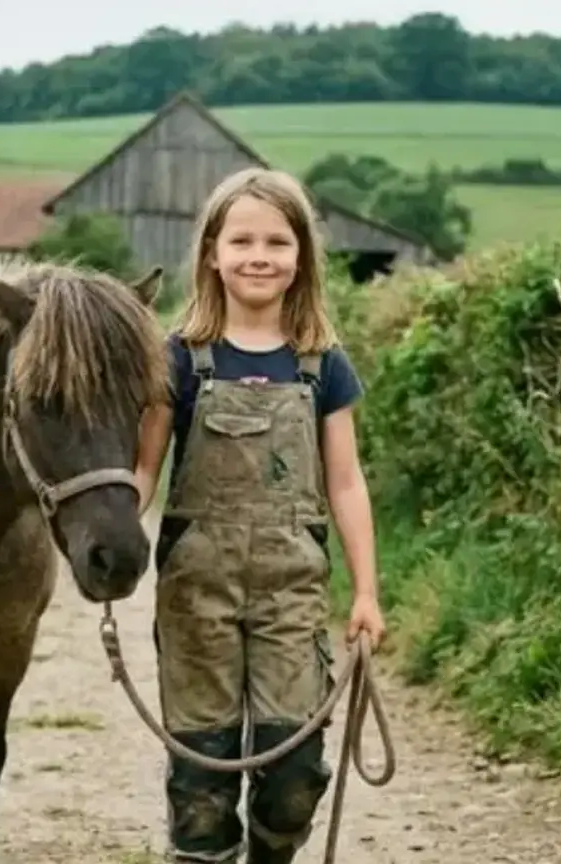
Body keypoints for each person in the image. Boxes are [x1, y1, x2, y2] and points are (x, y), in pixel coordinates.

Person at [132, 166, 386, 864]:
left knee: (294, 772)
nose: (258, 255)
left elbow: (346, 483)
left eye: (277, 241)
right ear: (211, 251)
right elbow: (145, 470)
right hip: (196, 592)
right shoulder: (179, 359)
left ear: (301, 256)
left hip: (290, 592)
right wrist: (114, 527)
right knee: (203, 776)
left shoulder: (321, 364)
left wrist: (365, 592)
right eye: (241, 239)